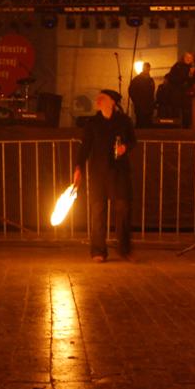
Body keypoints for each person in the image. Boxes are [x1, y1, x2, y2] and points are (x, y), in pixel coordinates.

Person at [73, 89, 137, 262]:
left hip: (119, 172)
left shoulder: (124, 121)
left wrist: (125, 147)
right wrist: (78, 167)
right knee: (98, 212)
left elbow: (133, 140)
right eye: (98, 98)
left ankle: (124, 249)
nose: (98, 100)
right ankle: (98, 251)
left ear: (112, 102)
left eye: (103, 98)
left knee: (123, 210)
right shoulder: (93, 122)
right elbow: (85, 147)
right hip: (98, 173)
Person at [162, 52, 194, 127]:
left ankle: (186, 125)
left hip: (186, 91)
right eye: (187, 57)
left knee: (186, 109)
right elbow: (172, 77)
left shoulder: (192, 68)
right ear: (183, 58)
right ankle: (175, 124)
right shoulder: (177, 66)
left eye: (190, 58)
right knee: (176, 108)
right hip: (176, 90)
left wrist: (190, 75)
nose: (188, 59)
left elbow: (191, 81)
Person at [127, 62, 156, 128]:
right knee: (140, 123)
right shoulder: (137, 79)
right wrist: (137, 102)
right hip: (140, 107)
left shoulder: (151, 80)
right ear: (143, 68)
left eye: (148, 68)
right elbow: (131, 91)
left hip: (149, 107)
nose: (147, 70)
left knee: (148, 124)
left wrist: (152, 103)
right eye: (146, 68)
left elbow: (152, 93)